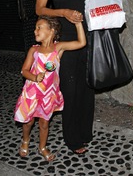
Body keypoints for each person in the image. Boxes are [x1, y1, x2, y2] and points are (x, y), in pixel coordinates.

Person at [35, 0, 102, 154]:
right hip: (65, 40)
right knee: (70, 89)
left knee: (87, 87)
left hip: (88, 36)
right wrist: (62, 12)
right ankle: (73, 139)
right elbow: (40, 9)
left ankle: (85, 133)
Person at [14, 15, 86, 161]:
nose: (35, 31)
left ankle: (42, 147)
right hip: (32, 92)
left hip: (48, 94)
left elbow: (81, 43)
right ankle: (25, 140)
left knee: (44, 123)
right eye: (35, 28)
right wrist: (34, 77)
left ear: (51, 31)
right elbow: (24, 70)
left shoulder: (57, 48)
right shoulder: (33, 50)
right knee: (28, 122)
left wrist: (78, 24)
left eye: (39, 27)